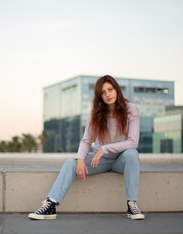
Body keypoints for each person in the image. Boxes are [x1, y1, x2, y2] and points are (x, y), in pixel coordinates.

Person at [28, 75, 145, 220]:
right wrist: (81, 158)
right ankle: (50, 205)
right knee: (72, 161)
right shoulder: (96, 113)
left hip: (121, 160)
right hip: (99, 161)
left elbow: (133, 142)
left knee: (132, 153)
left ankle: (132, 205)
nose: (108, 94)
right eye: (103, 92)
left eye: (110, 89)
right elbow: (86, 140)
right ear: (99, 96)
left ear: (117, 90)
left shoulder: (131, 109)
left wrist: (104, 149)